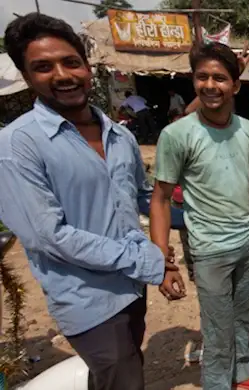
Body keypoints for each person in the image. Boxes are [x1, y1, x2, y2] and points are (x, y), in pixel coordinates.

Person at [0, 13, 171, 390]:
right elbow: (49, 236)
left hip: (131, 286)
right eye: (43, 67)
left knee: (115, 376)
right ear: (27, 78)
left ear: (87, 67)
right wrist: (145, 258)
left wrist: (194, 215)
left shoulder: (118, 136)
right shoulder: (18, 145)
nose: (62, 75)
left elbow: (141, 197)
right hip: (88, 300)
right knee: (124, 380)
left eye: (70, 62)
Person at [150, 42, 249, 390]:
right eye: (202, 77)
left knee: (243, 320)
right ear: (193, 81)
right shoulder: (176, 135)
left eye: (220, 78)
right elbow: (161, 200)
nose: (210, 85)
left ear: (235, 85)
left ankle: (242, 374)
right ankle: (218, 384)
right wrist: (162, 261)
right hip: (209, 250)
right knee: (218, 327)